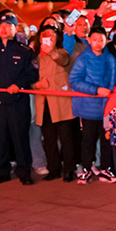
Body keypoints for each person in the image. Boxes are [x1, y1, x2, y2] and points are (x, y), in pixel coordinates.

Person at [0, 13, 39, 185]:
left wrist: (19, 85)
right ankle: (2, 172)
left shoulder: (25, 51)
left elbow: (32, 73)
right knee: (0, 139)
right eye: (1, 25)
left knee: (20, 138)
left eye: (8, 25)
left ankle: (24, 172)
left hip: (18, 102)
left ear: (15, 28)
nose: (4, 28)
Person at [68, 25, 116, 184]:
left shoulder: (110, 58)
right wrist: (96, 90)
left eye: (101, 40)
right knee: (88, 140)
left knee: (106, 140)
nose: (98, 43)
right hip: (88, 107)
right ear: (89, 40)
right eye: (95, 40)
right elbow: (74, 81)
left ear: (106, 41)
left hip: (106, 107)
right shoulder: (83, 58)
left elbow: (113, 81)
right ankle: (86, 169)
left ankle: (105, 170)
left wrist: (109, 101)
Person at [32, 24, 77, 182]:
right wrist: (37, 85)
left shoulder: (62, 52)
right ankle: (54, 169)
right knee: (49, 139)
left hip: (60, 103)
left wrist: (51, 50)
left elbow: (63, 60)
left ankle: (69, 169)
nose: (49, 37)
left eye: (52, 34)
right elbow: (30, 79)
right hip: (44, 103)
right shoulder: (36, 57)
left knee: (66, 139)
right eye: (45, 34)